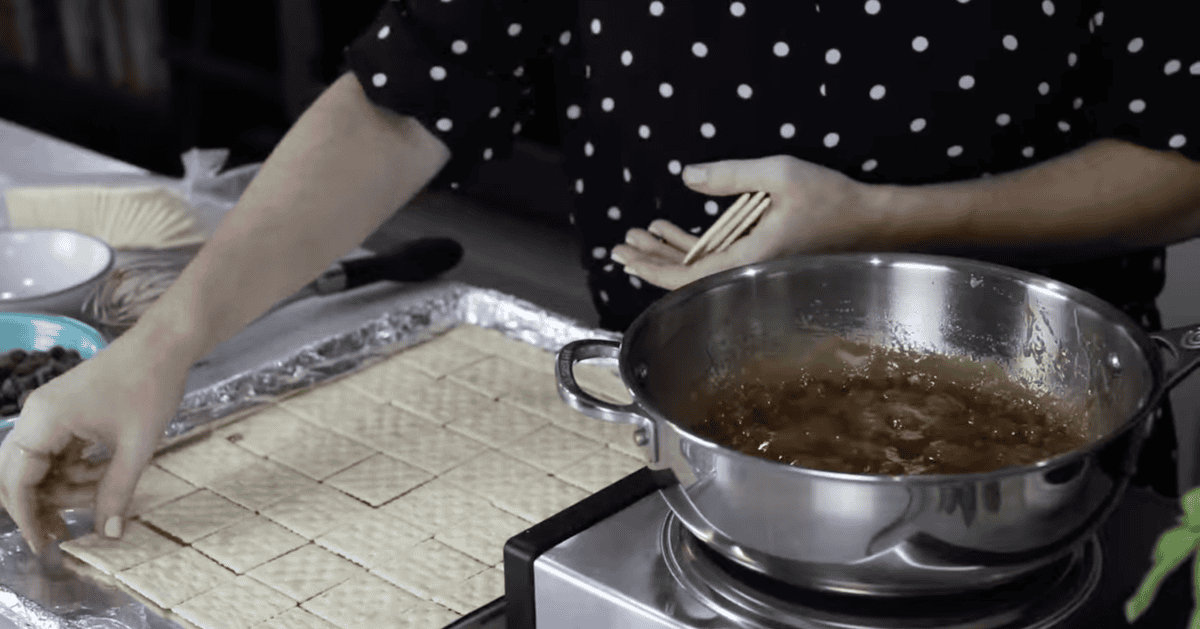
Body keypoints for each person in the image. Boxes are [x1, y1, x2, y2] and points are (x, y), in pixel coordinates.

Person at [1, 0, 1198, 558]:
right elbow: (407, 96)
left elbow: (1182, 157)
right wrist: (158, 349)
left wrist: (882, 219)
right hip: (676, 447)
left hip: (1035, 466)